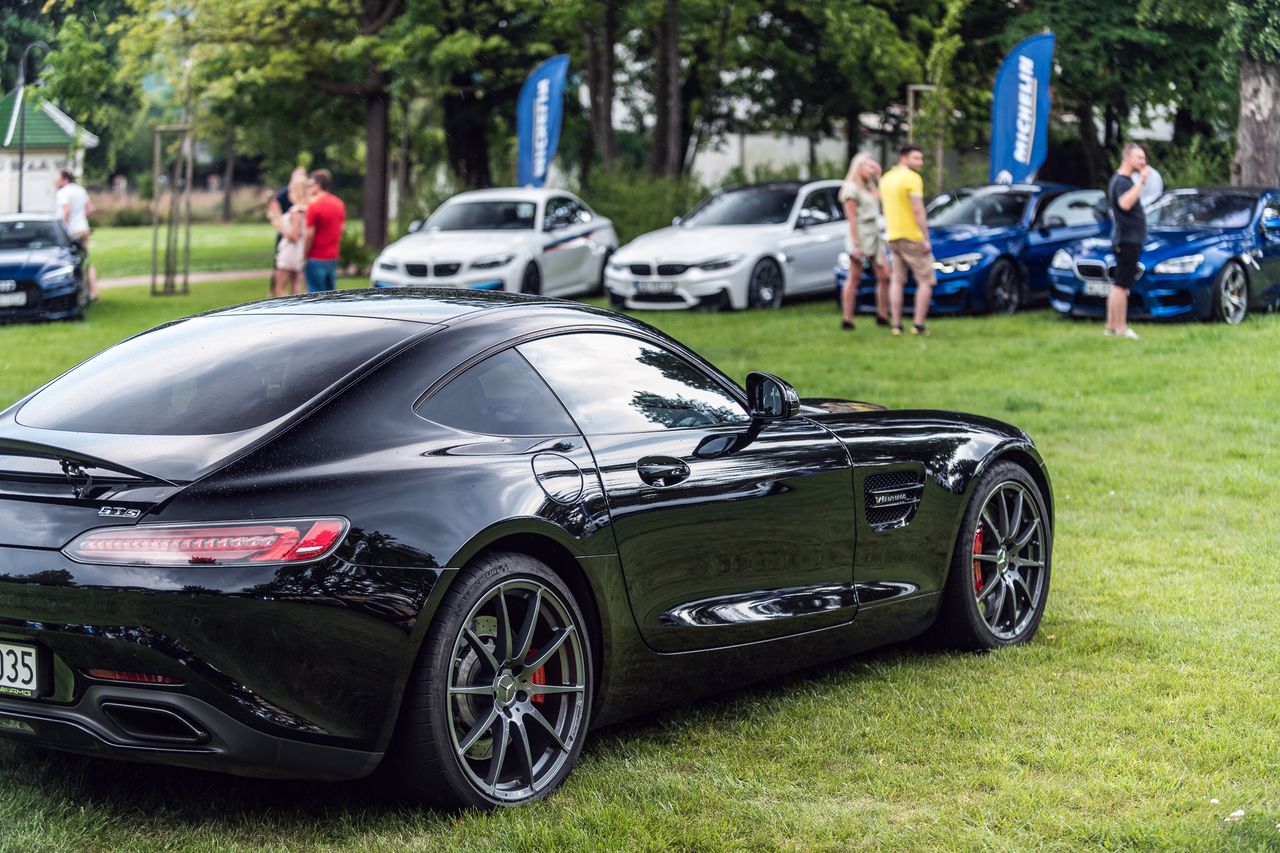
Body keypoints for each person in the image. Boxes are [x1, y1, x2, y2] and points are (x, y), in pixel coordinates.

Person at [879, 145, 935, 335]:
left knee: (897, 280)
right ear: (904, 158)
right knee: (926, 280)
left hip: (893, 235)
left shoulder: (886, 178)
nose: (920, 162)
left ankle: (896, 325)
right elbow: (918, 210)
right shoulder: (912, 178)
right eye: (916, 158)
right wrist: (925, 237)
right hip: (912, 236)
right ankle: (918, 324)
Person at [838, 153, 889, 331]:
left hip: (874, 234)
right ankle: (847, 319)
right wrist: (856, 244)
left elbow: (884, 198)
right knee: (854, 277)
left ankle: (882, 315)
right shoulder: (851, 189)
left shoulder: (869, 187)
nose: (871, 170)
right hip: (860, 233)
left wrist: (878, 176)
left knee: (884, 275)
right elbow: (851, 218)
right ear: (858, 167)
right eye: (869, 167)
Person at [1106, 143, 1149, 340]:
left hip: (1126, 238)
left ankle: (1111, 326)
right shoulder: (1123, 181)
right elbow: (1124, 203)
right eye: (1139, 157)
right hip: (1127, 239)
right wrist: (1141, 182)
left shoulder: (1120, 180)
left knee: (1118, 284)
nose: (1143, 161)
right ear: (1127, 158)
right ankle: (1121, 327)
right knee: (1122, 285)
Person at [54, 170, 97, 300]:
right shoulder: (80, 190)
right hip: (83, 229)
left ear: (65, 179)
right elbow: (91, 209)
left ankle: (74, 293)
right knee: (85, 259)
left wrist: (63, 229)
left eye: (58, 178)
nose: (56, 181)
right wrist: (80, 219)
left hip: (71, 232)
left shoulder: (63, 192)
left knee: (68, 262)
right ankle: (93, 291)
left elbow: (66, 211)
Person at [267, 166, 308, 293]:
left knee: (279, 288)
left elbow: (294, 235)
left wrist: (279, 227)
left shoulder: (295, 211)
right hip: (299, 250)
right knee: (296, 287)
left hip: (290, 251)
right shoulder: (306, 208)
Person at [304, 169, 344, 293]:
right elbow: (341, 228)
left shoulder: (314, 205)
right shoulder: (339, 203)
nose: (309, 189)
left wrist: (304, 254)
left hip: (316, 256)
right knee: (330, 295)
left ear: (317, 185)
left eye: (310, 185)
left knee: (315, 294)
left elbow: (309, 234)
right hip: (332, 256)